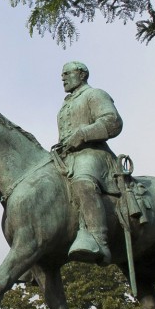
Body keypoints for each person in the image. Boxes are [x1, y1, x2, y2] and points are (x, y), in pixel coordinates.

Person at [56, 61, 122, 264]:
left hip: (94, 155)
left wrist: (84, 133)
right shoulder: (65, 105)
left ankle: (98, 239)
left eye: (67, 73)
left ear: (82, 74)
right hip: (69, 158)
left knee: (82, 182)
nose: (63, 78)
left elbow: (113, 122)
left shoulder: (95, 95)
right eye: (62, 75)